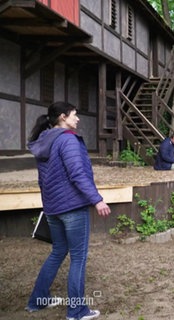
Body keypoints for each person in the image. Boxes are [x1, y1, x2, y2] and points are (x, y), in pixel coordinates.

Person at [26, 101, 111, 320]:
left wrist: (48, 205)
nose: (78, 118)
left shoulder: (45, 140)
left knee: (58, 252)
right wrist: (97, 200)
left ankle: (37, 300)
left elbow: (42, 180)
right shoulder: (68, 141)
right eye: (75, 115)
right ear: (63, 117)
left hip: (53, 208)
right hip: (72, 207)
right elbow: (78, 175)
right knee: (78, 258)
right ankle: (77, 310)